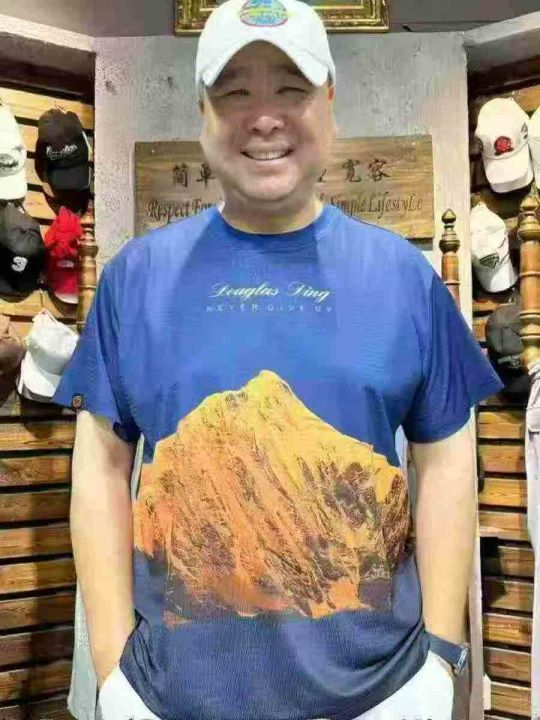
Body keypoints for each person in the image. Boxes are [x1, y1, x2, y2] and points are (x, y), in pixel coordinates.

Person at [52, 0, 504, 719]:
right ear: (203, 112)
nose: (264, 117)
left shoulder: (403, 278)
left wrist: (439, 661)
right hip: (171, 700)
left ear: (329, 103)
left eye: (291, 89)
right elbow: (102, 467)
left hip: (380, 696)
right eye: (235, 92)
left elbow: (446, 458)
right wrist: (113, 676)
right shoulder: (136, 279)